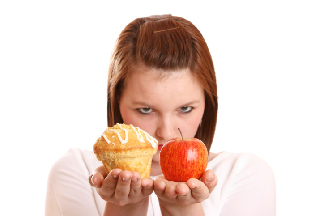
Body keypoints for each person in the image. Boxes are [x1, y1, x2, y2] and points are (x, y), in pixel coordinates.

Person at [45, 14, 276, 216]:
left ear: (208, 102)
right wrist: (125, 208)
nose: (165, 133)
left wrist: (184, 210)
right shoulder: (76, 171)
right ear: (117, 102)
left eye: (185, 109)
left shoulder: (245, 174)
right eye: (146, 110)